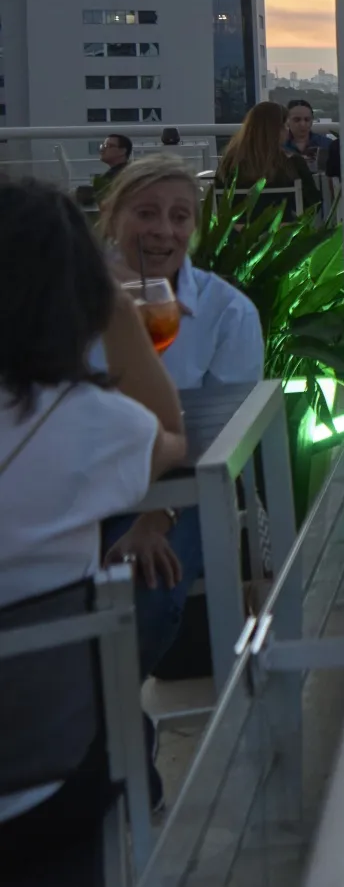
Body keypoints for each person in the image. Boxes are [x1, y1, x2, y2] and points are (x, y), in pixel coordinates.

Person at [0, 179, 187, 883]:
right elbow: (169, 433)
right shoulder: (88, 425)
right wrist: (120, 317)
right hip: (49, 777)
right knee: (120, 725)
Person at [93, 155, 265, 678]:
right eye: (146, 213)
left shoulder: (225, 312)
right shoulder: (66, 301)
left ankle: (106, 733)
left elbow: (214, 441)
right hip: (76, 490)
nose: (163, 231)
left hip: (180, 489)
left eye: (180, 216)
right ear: (112, 215)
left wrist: (153, 519)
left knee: (142, 594)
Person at [218, 101, 318, 217]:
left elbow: (219, 201)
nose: (287, 130)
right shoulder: (292, 162)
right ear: (276, 130)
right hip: (282, 232)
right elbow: (313, 204)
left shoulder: (229, 162)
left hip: (237, 232)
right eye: (285, 126)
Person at [280, 99, 334, 169]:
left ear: (312, 120)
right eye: (297, 120)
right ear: (287, 121)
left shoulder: (327, 145)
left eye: (307, 119)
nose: (302, 124)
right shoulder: (279, 147)